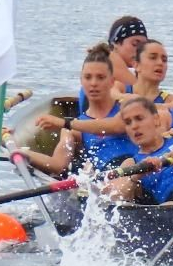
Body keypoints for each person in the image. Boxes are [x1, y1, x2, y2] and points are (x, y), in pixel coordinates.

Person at [24, 42, 138, 175]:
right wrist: (21, 152)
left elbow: (115, 126)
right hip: (107, 177)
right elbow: (57, 165)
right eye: (88, 77)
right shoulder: (73, 130)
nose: (93, 83)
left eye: (100, 77)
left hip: (138, 169)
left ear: (112, 81)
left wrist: (64, 123)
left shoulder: (127, 108)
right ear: (81, 81)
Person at [102, 97, 173, 204]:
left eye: (139, 118)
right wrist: (137, 176)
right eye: (128, 122)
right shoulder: (131, 163)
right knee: (171, 206)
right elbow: (115, 197)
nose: (134, 126)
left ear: (156, 119)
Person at [106, 16, 147, 87]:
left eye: (143, 46)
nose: (140, 50)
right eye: (135, 44)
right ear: (116, 44)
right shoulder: (109, 60)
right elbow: (141, 91)